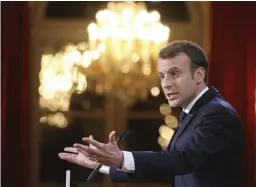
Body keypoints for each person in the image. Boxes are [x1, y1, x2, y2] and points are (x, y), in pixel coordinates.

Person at [59, 40, 245, 187]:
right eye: (162, 76)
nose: (166, 84)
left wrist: (122, 158)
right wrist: (103, 164)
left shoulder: (218, 113)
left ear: (199, 75)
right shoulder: (192, 112)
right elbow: (168, 167)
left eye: (175, 73)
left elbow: (182, 160)